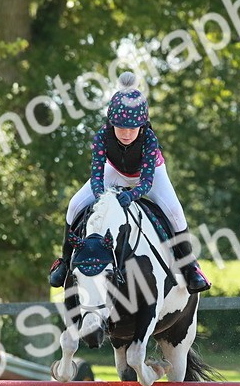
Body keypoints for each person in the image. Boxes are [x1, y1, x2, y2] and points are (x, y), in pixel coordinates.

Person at [48, 72, 210, 293]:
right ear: (111, 123)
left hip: (149, 176)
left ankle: (191, 267)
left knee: (174, 211)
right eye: (120, 127)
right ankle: (65, 262)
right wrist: (103, 197)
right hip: (113, 172)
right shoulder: (102, 137)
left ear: (142, 126)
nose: (126, 133)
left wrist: (131, 196)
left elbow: (145, 182)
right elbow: (96, 177)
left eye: (132, 128)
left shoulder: (149, 139)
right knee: (75, 204)